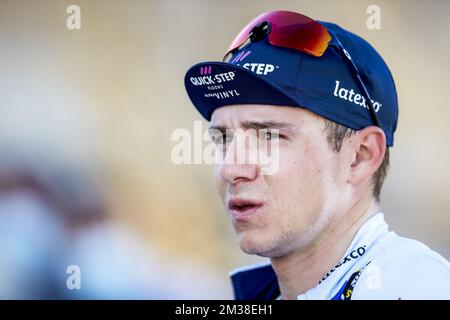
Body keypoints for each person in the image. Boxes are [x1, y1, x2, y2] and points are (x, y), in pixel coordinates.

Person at [183, 10, 450, 300]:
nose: (231, 169)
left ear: (360, 156)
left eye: (269, 136)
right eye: (223, 138)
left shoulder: (410, 287)